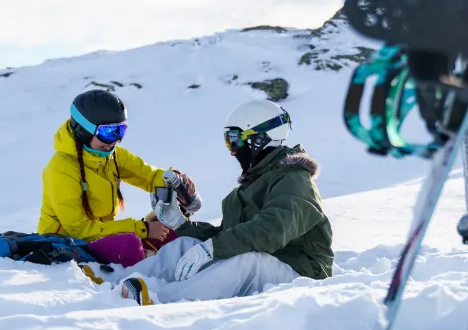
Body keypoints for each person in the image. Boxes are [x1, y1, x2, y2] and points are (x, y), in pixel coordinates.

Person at [118, 98, 333, 305]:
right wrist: (181, 225)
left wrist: (214, 248)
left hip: (302, 272)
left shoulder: (295, 180)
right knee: (187, 244)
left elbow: (271, 230)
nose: (232, 150)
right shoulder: (256, 183)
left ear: (259, 139)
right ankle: (115, 286)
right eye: (228, 141)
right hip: (268, 259)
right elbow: (227, 235)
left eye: (234, 139)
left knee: (246, 262)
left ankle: (163, 302)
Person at [38, 89, 198, 268]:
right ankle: (147, 277)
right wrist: (142, 229)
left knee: (168, 227)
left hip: (102, 237)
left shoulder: (112, 155)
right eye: (108, 132)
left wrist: (174, 180)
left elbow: (148, 176)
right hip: (69, 244)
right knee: (128, 244)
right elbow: (80, 230)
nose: (114, 140)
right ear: (83, 130)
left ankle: (177, 269)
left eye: (120, 131)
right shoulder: (61, 169)